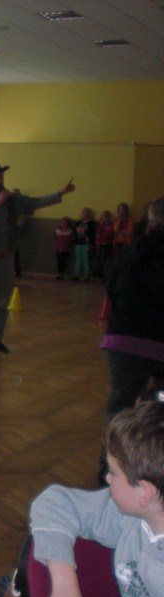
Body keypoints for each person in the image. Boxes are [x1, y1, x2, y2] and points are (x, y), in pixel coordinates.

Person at [29, 394, 164, 597]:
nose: (107, 478)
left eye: (114, 473)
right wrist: (64, 582)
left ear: (144, 492)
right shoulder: (130, 516)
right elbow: (53, 503)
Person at [0, 161, 75, 358]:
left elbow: (35, 203)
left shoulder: (12, 200)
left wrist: (61, 193)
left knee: (2, 302)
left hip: (6, 257)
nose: (0, 182)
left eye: (2, 178)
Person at [99, 197, 164, 467]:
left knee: (121, 407)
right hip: (157, 344)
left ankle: (109, 470)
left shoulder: (131, 253)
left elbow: (111, 290)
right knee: (160, 404)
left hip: (124, 343)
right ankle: (154, 468)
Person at [73, 207, 96, 282]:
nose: (85, 214)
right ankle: (76, 275)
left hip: (87, 243)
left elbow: (92, 234)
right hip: (78, 243)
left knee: (86, 259)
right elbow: (75, 232)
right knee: (78, 259)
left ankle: (87, 276)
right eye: (84, 213)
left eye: (87, 213)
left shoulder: (92, 223)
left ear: (90, 214)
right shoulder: (78, 223)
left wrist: (91, 244)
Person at [95, 209, 115, 281]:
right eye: (104, 216)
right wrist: (102, 224)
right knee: (101, 259)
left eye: (107, 216)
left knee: (108, 260)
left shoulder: (112, 224)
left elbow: (112, 232)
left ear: (109, 217)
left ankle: (106, 275)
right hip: (100, 244)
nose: (105, 218)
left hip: (109, 243)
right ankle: (99, 275)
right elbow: (98, 232)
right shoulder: (100, 224)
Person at [54, 216, 74, 280]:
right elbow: (56, 238)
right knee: (59, 261)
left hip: (66, 249)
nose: (64, 224)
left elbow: (71, 240)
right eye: (62, 223)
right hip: (58, 248)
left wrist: (69, 246)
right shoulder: (57, 230)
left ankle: (62, 273)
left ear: (68, 224)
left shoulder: (70, 231)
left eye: (65, 223)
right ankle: (59, 273)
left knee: (64, 261)